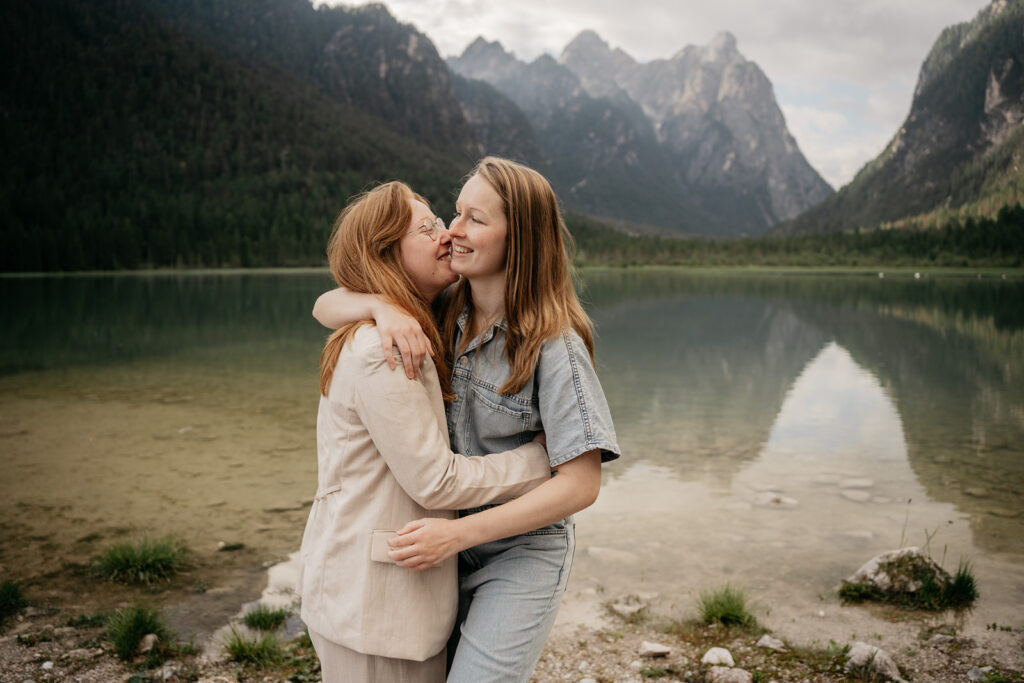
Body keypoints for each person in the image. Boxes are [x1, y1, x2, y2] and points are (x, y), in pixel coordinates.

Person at [312, 157, 621, 682]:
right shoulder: (440, 311)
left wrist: (457, 536)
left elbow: (582, 484)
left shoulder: (555, 343)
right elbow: (325, 302)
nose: (453, 230)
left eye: (474, 219)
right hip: (450, 548)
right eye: (454, 214)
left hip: (519, 551)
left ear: (517, 238)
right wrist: (381, 306)